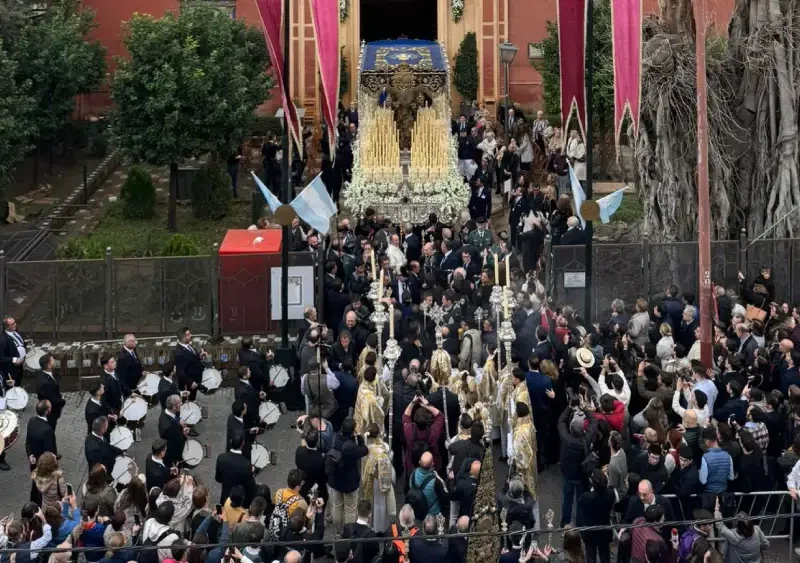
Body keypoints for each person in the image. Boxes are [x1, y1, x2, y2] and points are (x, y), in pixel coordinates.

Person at [328, 418, 369, 530]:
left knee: (337, 506)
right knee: (350, 509)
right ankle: (348, 533)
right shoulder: (351, 447)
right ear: (352, 431)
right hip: (349, 483)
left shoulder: (335, 438)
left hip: (335, 480)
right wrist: (359, 437)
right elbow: (364, 450)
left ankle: (337, 532)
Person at [215, 432, 257, 507]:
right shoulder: (246, 465)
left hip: (224, 499)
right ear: (242, 444)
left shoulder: (221, 458)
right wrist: (252, 474)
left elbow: (218, 479)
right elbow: (250, 488)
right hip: (238, 503)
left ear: (230, 442)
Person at [159, 394, 189, 469]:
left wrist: (178, 423)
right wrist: (184, 434)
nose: (182, 404)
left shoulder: (165, 412)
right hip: (173, 458)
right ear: (174, 407)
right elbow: (178, 443)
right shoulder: (170, 427)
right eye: (180, 403)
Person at [35, 354, 65, 430]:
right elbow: (52, 399)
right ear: (48, 365)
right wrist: (62, 401)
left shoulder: (46, 373)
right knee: (51, 428)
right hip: (51, 412)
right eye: (52, 360)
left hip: (53, 408)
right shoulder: (45, 383)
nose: (54, 361)